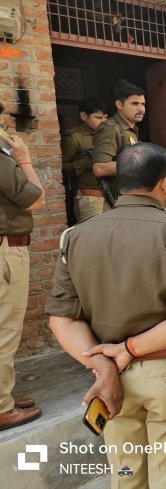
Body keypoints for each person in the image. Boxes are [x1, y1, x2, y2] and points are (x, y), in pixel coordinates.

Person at [46, 143, 166, 488]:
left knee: (126, 475)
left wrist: (104, 365)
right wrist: (128, 350)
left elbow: (62, 319)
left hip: (111, 379)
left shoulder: (76, 236)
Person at [0, 105, 46, 430]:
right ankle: (2, 406)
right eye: (3, 120)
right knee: (5, 330)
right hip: (6, 251)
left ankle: (3, 395)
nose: (5, 125)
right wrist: (24, 158)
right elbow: (37, 200)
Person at [92, 79, 145, 209]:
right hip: (114, 202)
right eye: (135, 104)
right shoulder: (111, 128)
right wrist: (140, 166)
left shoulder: (131, 130)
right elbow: (100, 168)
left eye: (143, 104)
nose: (141, 109)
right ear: (119, 105)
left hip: (128, 200)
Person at [61, 98, 108, 223]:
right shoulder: (75, 137)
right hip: (90, 198)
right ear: (84, 116)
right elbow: (60, 168)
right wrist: (87, 162)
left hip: (112, 196)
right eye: (98, 118)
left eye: (105, 118)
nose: (103, 121)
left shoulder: (110, 135)